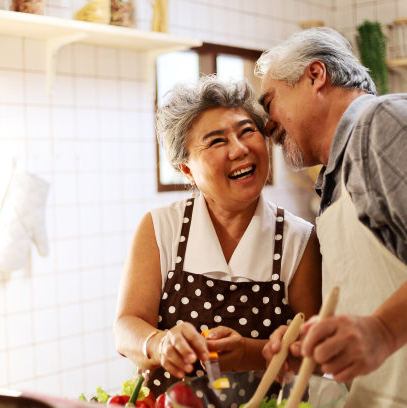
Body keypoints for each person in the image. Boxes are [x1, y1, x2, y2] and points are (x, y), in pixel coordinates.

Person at [256, 27, 407, 407]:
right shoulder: (338, 175)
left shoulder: (383, 121)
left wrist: (382, 331)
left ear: (315, 76)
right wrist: (325, 352)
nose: (267, 127)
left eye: (270, 102)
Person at [113, 75, 322, 395]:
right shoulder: (160, 227)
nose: (239, 150)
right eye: (216, 141)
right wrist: (159, 343)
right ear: (187, 170)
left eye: (247, 131)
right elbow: (126, 326)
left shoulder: (299, 239)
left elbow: (313, 353)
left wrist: (247, 354)